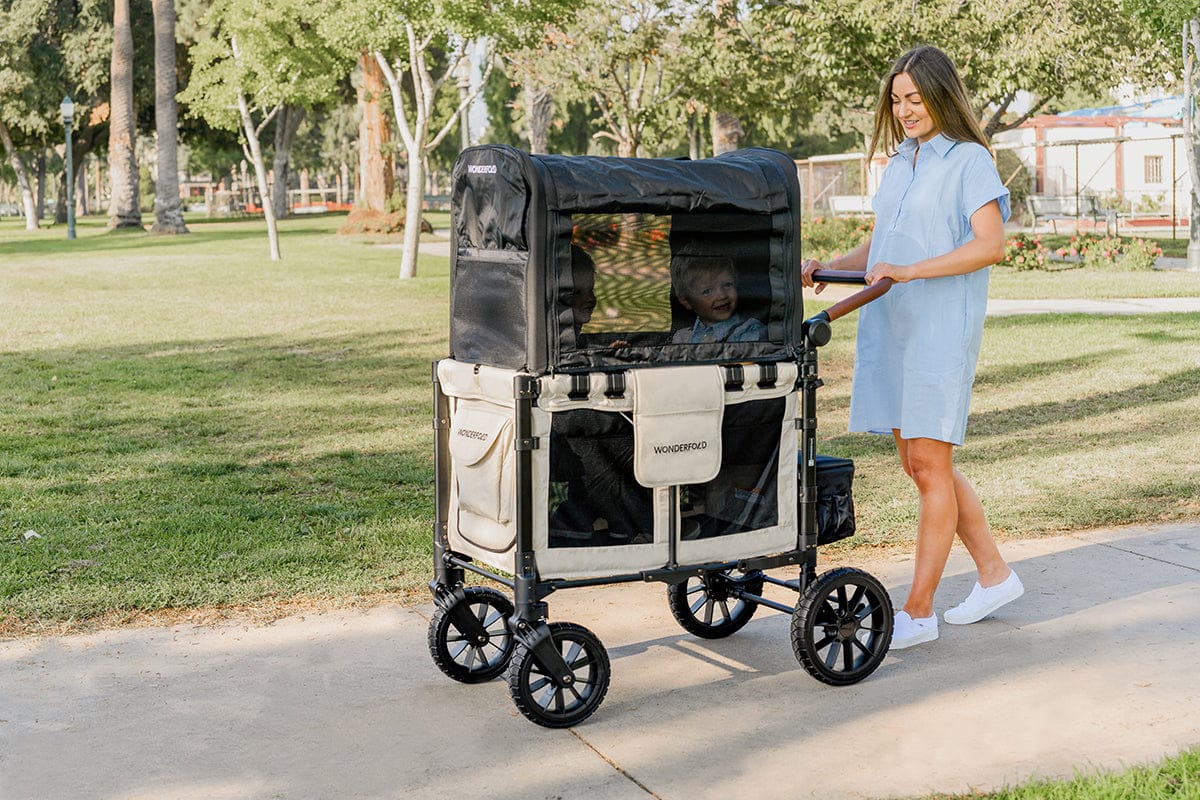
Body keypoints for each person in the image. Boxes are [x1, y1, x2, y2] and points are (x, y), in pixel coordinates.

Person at [801, 45, 1024, 650]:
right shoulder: (901, 161)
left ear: (941, 96)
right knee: (924, 465)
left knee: (928, 465)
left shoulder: (969, 160)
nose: (904, 110)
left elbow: (990, 245)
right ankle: (995, 575)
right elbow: (882, 247)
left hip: (938, 329)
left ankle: (919, 612)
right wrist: (830, 266)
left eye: (915, 99)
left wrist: (911, 271)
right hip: (893, 326)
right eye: (897, 100)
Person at [671, 255, 766, 344]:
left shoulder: (750, 332)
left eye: (727, 285)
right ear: (686, 301)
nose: (722, 296)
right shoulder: (682, 338)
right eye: (707, 291)